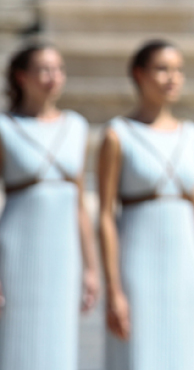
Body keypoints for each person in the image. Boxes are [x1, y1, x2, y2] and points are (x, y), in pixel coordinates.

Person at [98, 39, 194, 370]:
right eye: (162, 69)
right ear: (139, 74)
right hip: (137, 264)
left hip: (186, 265)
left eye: (179, 70)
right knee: (138, 355)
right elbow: (106, 217)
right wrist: (114, 289)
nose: (172, 78)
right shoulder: (117, 135)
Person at [0, 42, 98, 368]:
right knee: (17, 338)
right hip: (17, 249)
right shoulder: (5, 128)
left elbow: (79, 203)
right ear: (21, 76)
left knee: (59, 341)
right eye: (43, 69)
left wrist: (91, 268)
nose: (52, 77)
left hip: (63, 252)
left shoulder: (77, 127)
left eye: (58, 69)